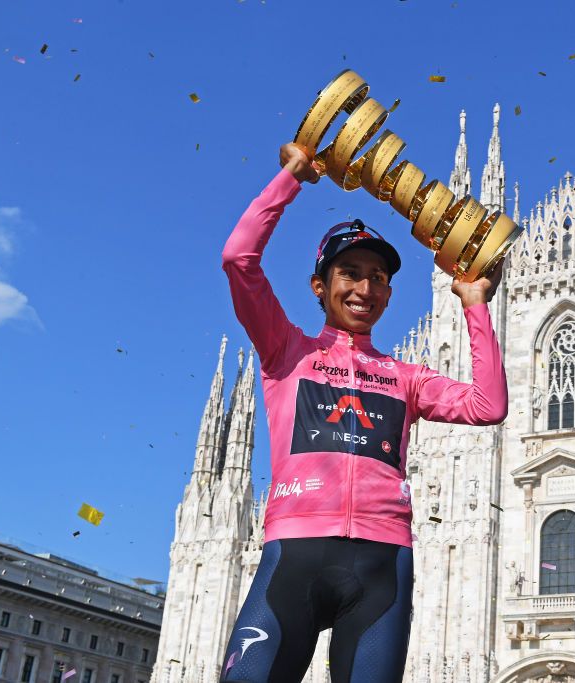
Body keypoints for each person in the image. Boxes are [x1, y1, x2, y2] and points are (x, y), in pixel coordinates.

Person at [217, 143, 508, 683]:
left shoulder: (406, 378)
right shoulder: (288, 353)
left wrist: (474, 305)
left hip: (382, 564)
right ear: (320, 286)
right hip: (296, 554)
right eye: (349, 273)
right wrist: (292, 178)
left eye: (378, 277)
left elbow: (487, 406)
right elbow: (239, 259)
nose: (365, 288)